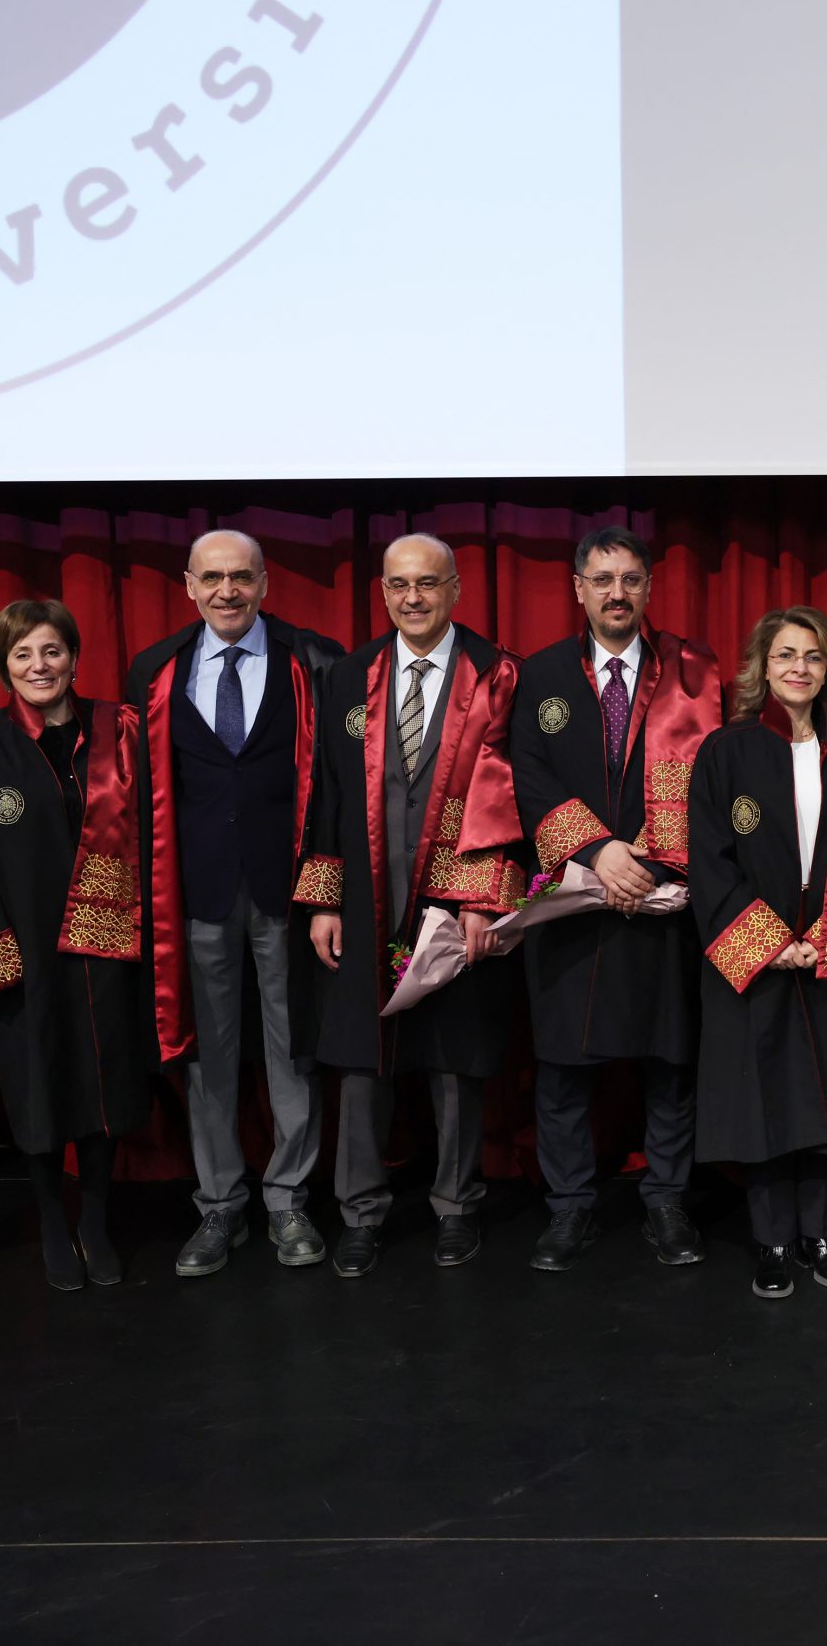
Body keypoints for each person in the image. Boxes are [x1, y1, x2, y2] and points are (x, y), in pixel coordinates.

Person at [294, 533, 522, 1277]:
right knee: (363, 1062)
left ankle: (456, 1207)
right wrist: (324, 900)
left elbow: (509, 794)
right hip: (366, 896)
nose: (413, 598)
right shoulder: (350, 674)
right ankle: (360, 1211)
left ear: (455, 588)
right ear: (385, 592)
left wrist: (485, 899)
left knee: (454, 1060)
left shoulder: (497, 672)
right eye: (399, 585)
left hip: (455, 898)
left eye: (427, 583)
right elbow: (328, 790)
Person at [128, 529, 346, 1278]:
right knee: (207, 1053)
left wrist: (326, 888)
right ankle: (220, 1201)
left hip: (290, 891)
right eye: (213, 577)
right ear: (189, 585)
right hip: (196, 892)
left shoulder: (312, 660)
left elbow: (336, 787)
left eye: (242, 577)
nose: (228, 591)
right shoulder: (155, 669)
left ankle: (287, 1200)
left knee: (293, 1047)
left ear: (264, 583)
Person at [508, 525, 722, 1273]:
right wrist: (599, 851)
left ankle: (666, 1200)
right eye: (602, 579)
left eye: (630, 579)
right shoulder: (540, 674)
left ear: (649, 587)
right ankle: (570, 1206)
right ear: (578, 588)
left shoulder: (693, 673)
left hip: (663, 899)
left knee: (671, 1062)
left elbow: (713, 780)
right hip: (571, 901)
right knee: (563, 1065)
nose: (617, 593)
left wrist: (650, 867)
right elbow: (527, 775)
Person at [690, 608, 827, 1299]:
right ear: (762, 665)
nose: (799, 668)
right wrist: (766, 941)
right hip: (758, 951)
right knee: (762, 1098)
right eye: (785, 654)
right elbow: (708, 859)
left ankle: (819, 1233)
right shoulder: (726, 750)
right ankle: (773, 1240)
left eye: (813, 657)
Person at [0, 600, 158, 1291]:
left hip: (107, 942)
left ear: (74, 657)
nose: (40, 666)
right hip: (25, 946)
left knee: (103, 1080)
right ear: (3, 665)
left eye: (52, 651)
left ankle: (94, 1220)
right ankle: (50, 1222)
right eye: (23, 654)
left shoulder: (121, 729)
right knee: (36, 1081)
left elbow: (156, 832)